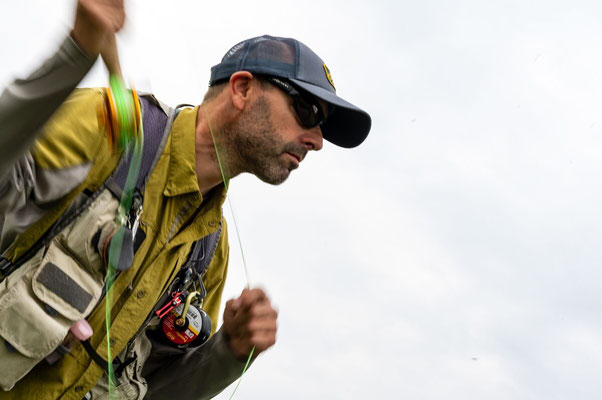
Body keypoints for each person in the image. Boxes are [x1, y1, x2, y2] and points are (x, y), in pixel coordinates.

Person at [0, 0, 371, 399]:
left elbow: (159, 392)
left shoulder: (210, 251)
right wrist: (74, 55)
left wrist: (228, 353)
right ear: (242, 89)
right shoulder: (107, 129)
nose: (316, 141)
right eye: (307, 110)